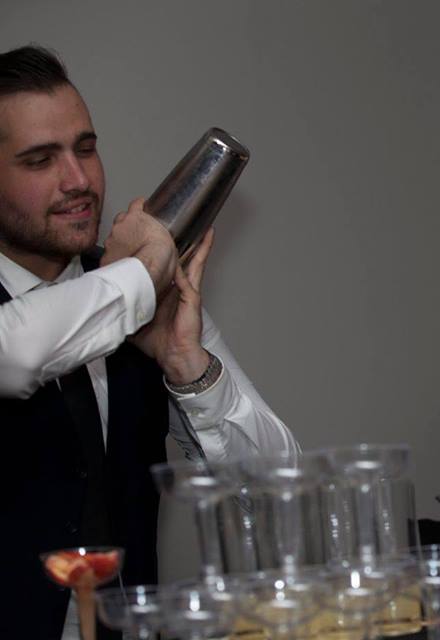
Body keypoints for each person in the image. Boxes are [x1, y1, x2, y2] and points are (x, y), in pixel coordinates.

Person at [0, 46, 299, 639]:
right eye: (40, 160)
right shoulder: (132, 287)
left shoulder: (138, 297)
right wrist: (146, 268)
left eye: (86, 148)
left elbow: (277, 497)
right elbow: (17, 354)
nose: (79, 181)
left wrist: (188, 367)